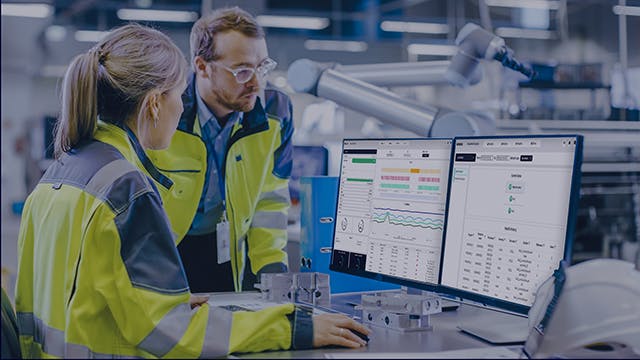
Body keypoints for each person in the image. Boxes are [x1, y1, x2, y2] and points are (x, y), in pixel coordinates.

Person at [14, 24, 370, 358]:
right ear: (154, 103)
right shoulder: (125, 189)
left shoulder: (60, 174)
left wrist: (162, 303)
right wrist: (293, 327)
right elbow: (175, 336)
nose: (182, 106)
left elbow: (81, 296)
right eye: (177, 95)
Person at [174, 6, 294, 292]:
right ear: (202, 66)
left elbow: (270, 199)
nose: (256, 83)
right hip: (167, 254)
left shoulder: (276, 111)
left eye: (262, 67)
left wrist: (273, 277)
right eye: (241, 71)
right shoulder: (168, 109)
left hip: (227, 252)